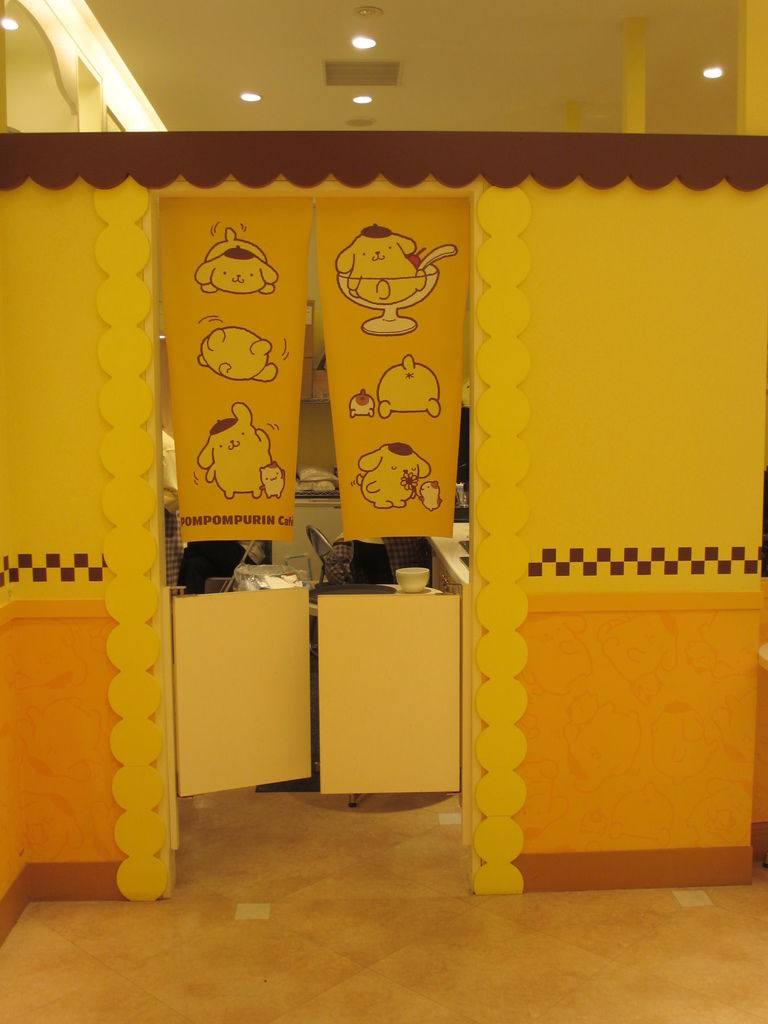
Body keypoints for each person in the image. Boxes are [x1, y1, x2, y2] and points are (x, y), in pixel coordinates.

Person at [323, 536, 431, 585]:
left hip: (362, 590)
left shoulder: (347, 540)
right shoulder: (410, 541)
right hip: (404, 587)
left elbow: (336, 572)